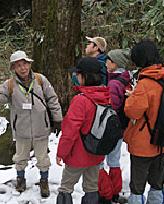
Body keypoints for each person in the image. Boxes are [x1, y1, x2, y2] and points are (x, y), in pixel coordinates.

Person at [0, 50, 63, 197]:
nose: (23, 68)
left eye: (25, 64)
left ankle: (44, 182)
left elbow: (52, 99)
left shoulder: (40, 79)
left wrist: (57, 119)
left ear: (29, 63)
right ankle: (20, 179)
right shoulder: (9, 85)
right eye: (18, 65)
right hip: (21, 129)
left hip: (41, 127)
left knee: (43, 158)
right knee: (20, 157)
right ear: (13, 68)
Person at [123, 39, 164, 204]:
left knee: (138, 184)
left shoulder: (145, 84)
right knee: (157, 181)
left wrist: (131, 98)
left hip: (144, 143)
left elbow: (133, 111)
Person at [56, 57, 111, 204]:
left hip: (77, 155)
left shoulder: (81, 100)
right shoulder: (105, 95)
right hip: (96, 153)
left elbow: (70, 131)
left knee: (66, 188)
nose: (76, 76)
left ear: (84, 76)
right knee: (91, 187)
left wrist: (61, 152)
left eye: (78, 74)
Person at [98, 49, 131, 204]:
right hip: (120, 128)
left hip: (109, 128)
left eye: (108, 60)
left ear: (115, 63)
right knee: (115, 160)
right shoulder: (126, 80)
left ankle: (105, 193)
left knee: (99, 161)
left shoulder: (113, 84)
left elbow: (112, 106)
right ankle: (115, 191)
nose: (105, 62)